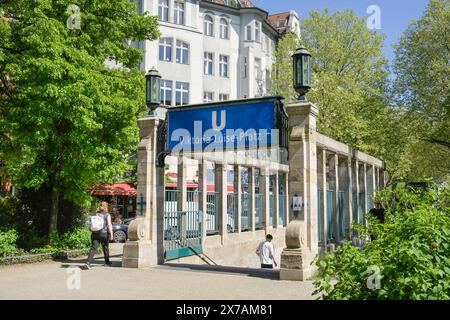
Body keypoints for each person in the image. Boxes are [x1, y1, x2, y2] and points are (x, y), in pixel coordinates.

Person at [83, 201, 113, 269]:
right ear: (106, 207)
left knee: (93, 248)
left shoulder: (95, 214)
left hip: (95, 233)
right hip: (104, 234)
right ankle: (107, 262)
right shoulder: (107, 214)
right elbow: (109, 225)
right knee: (105, 248)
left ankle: (88, 263)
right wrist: (111, 234)